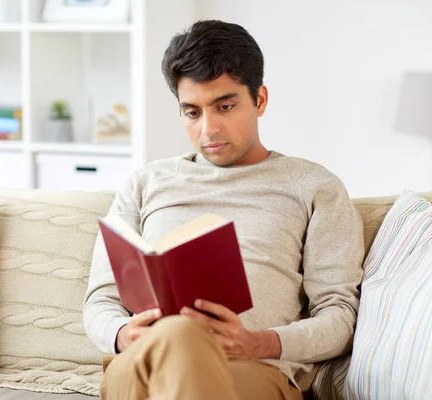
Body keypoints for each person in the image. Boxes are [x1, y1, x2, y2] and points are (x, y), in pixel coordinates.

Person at [83, 19, 365, 400]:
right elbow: (100, 300)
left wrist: (260, 343)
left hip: (253, 370)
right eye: (192, 112)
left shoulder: (315, 187)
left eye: (225, 106)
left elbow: (339, 317)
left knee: (186, 340)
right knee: (178, 335)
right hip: (141, 365)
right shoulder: (145, 183)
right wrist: (121, 333)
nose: (208, 129)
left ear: (259, 100)